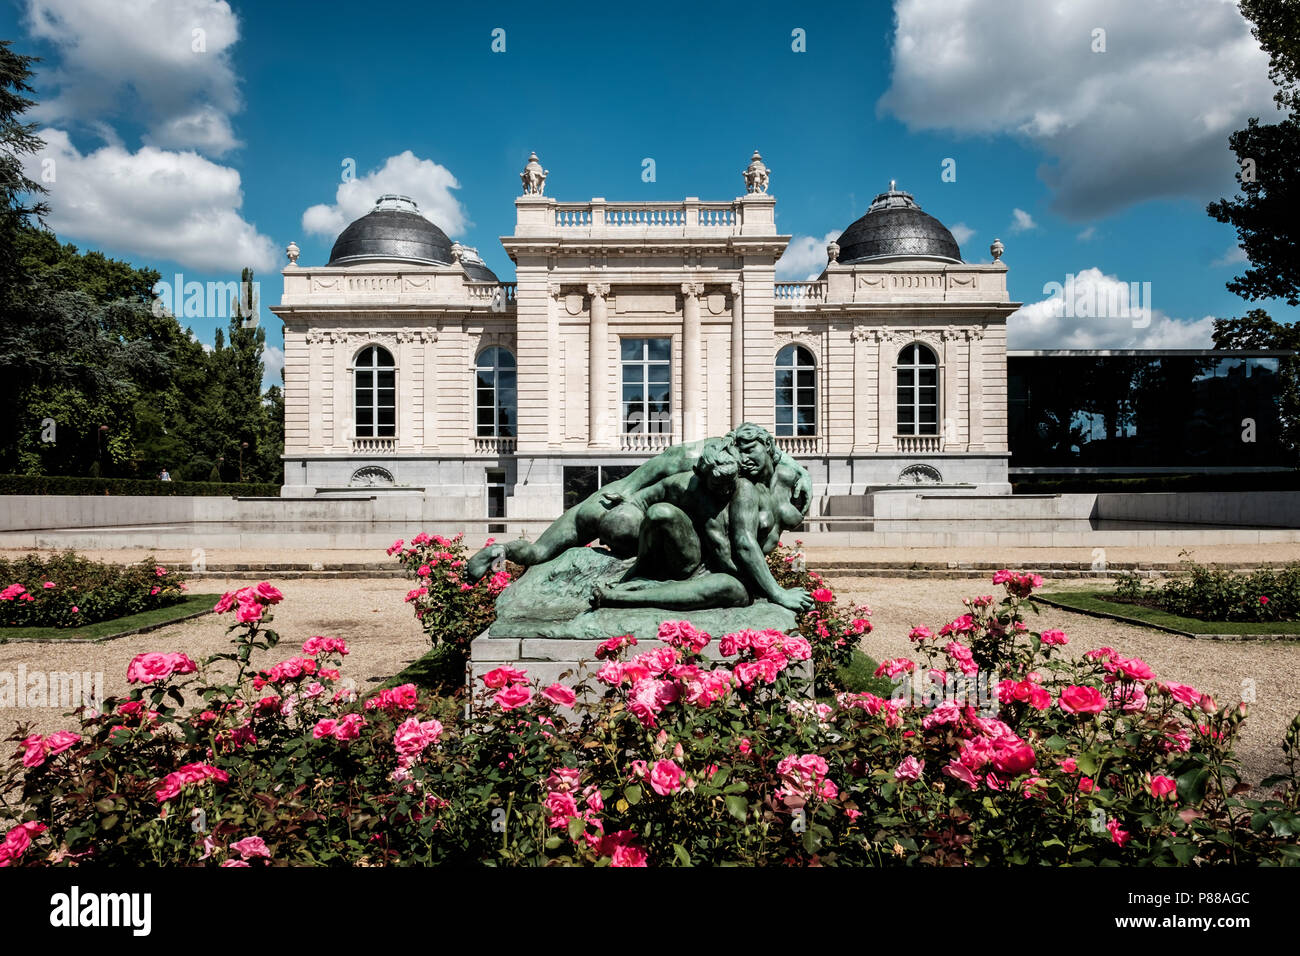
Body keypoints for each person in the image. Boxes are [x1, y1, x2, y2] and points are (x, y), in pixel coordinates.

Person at [463, 424, 812, 582]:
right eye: (738, 452)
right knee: (637, 533)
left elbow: (775, 456)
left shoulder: (752, 463)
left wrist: (800, 471)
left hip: (610, 500)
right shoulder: (696, 460)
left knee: (540, 553)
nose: (744, 462)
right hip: (624, 509)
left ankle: (504, 550)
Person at [592, 438, 813, 612]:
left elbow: (742, 543)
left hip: (718, 572)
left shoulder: (743, 486)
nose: (725, 491)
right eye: (718, 485)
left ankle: (628, 594)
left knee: (729, 587)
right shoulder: (690, 486)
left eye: (729, 483)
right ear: (700, 474)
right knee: (659, 512)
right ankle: (634, 587)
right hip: (692, 561)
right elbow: (726, 550)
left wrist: (801, 471)